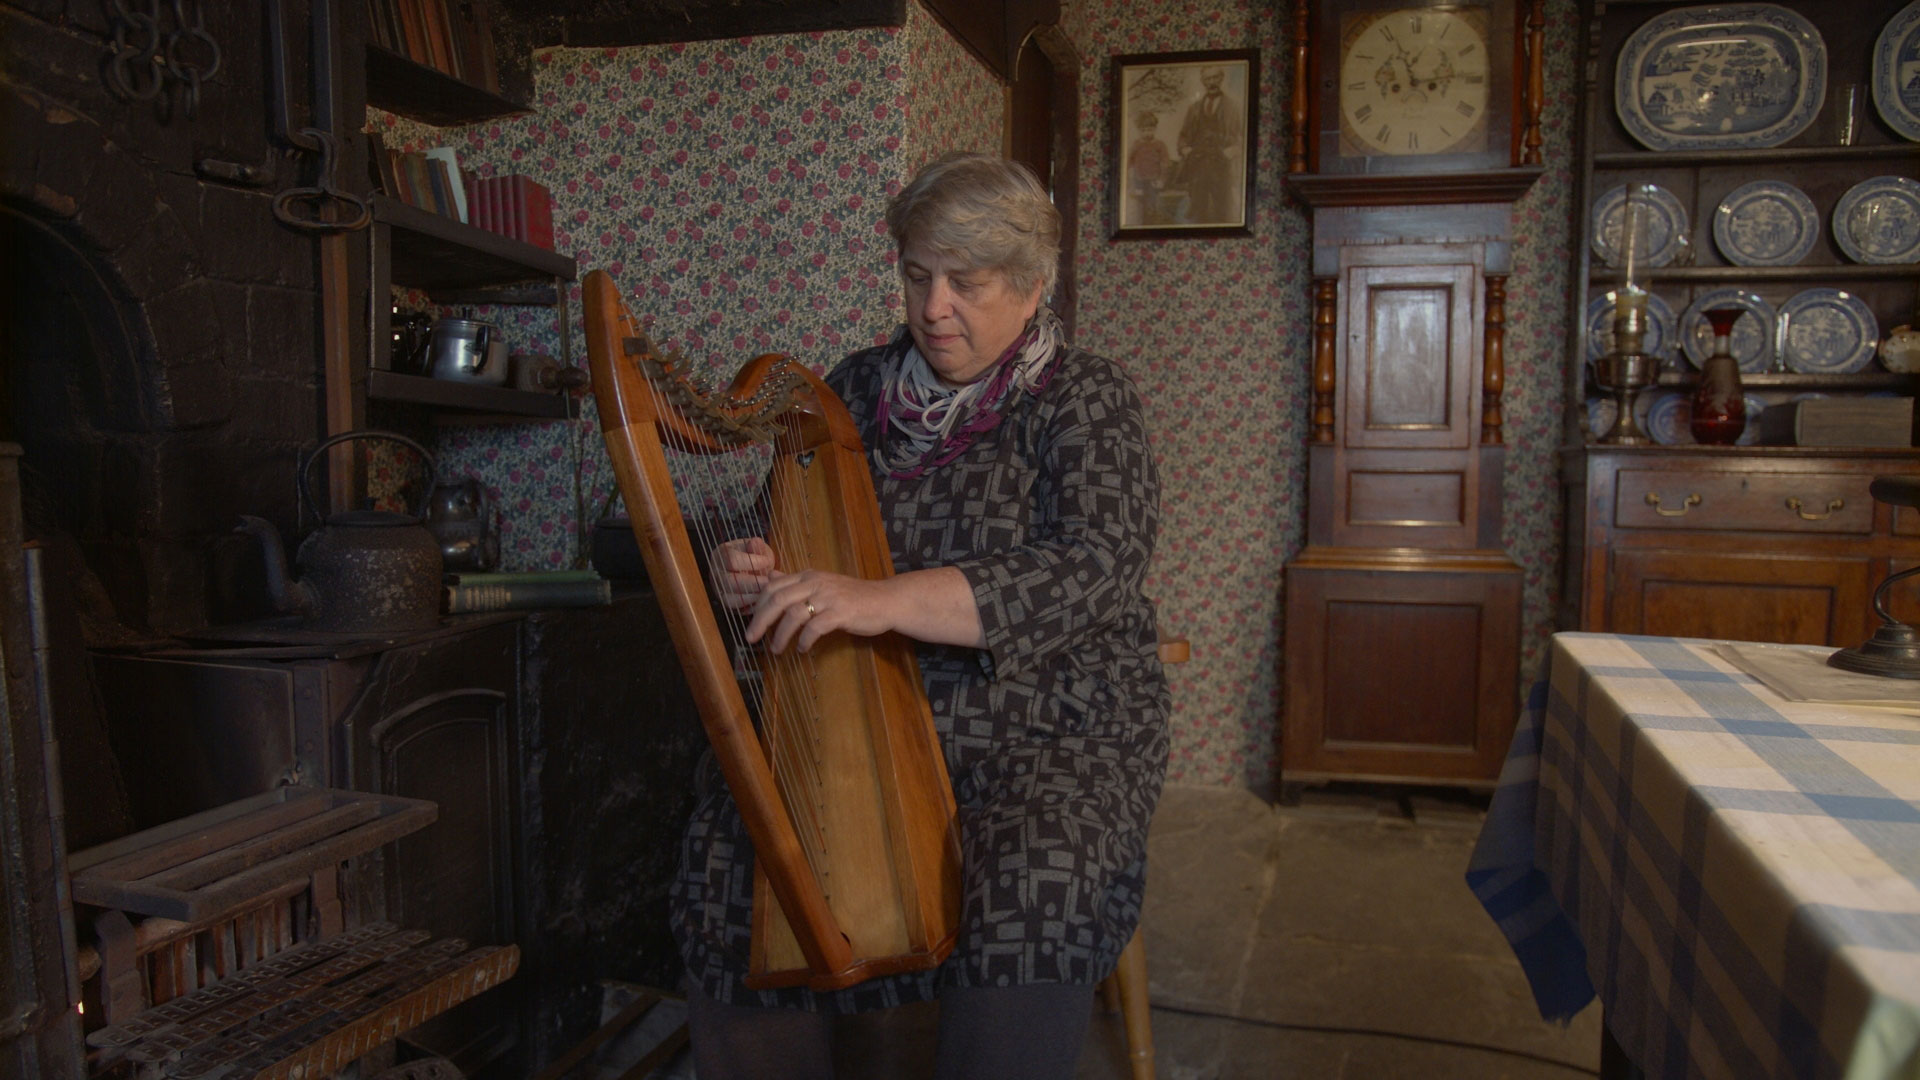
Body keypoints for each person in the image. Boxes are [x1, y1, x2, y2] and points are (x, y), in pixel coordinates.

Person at [677, 152, 1171, 1080]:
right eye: (916, 276)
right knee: (731, 844)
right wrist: (748, 564)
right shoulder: (851, 392)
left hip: (1050, 722)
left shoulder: (1084, 398)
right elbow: (781, 520)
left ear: (1030, 288)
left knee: (1035, 880)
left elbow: (1094, 568)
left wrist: (878, 600)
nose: (934, 306)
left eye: (966, 282)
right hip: (867, 705)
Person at [1175, 66, 1243, 225]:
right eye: (1208, 79)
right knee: (1198, 204)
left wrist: (1232, 151)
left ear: (1221, 78)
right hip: (1198, 161)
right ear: (1203, 81)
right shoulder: (1194, 109)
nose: (1212, 82)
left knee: (1222, 205)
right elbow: (1184, 134)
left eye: (1215, 78)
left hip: (1221, 161)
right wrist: (1184, 148)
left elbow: (1242, 134)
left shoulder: (1233, 107)